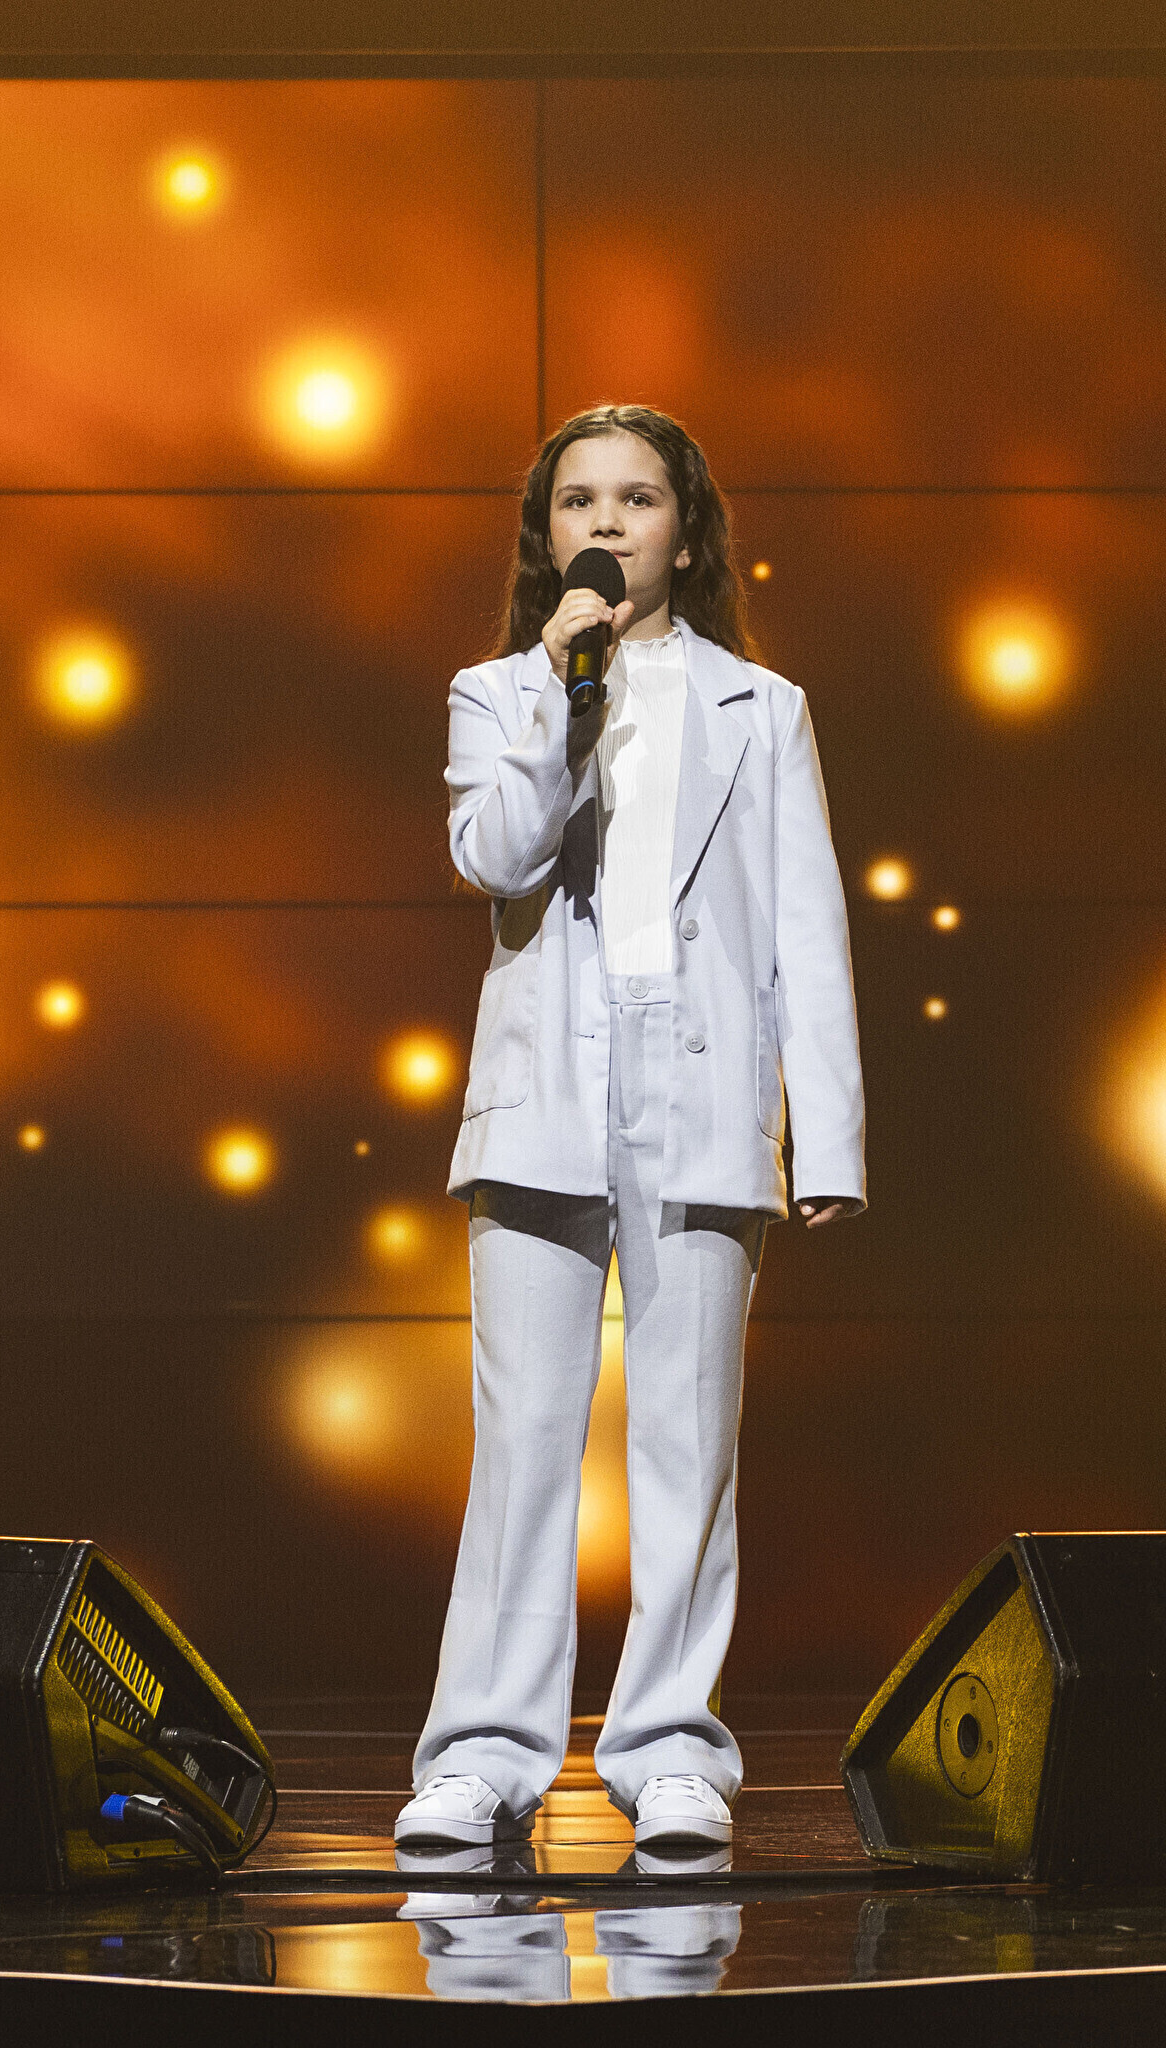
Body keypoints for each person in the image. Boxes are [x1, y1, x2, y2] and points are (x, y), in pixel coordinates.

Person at [399, 404, 866, 1851]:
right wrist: (559, 689)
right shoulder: (497, 693)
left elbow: (807, 929)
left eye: (638, 498)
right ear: (546, 538)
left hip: (703, 1086)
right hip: (547, 1086)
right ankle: (485, 1752)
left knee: (686, 1440)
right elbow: (496, 855)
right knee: (524, 1438)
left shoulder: (761, 708)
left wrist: (826, 1138)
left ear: (688, 530)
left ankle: (670, 1746)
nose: (606, 521)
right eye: (578, 501)